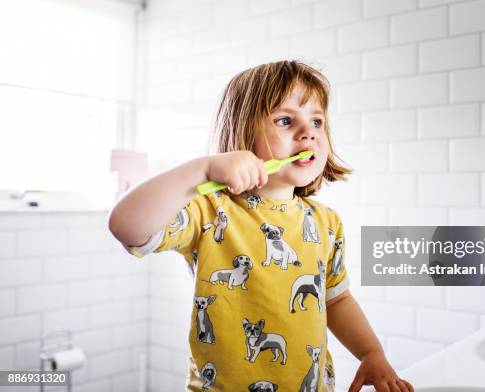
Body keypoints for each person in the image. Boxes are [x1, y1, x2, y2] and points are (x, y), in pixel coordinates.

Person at [108, 60, 414, 392]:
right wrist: (202, 170)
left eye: (317, 121)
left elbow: (336, 299)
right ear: (240, 132)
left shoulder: (326, 222)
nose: (308, 132)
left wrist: (371, 352)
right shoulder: (211, 211)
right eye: (285, 120)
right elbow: (126, 225)